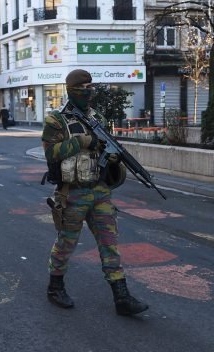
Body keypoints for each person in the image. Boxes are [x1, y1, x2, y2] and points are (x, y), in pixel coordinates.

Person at [41, 69, 149, 316]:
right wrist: (81, 141)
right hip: (73, 193)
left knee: (110, 244)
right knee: (66, 243)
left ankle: (121, 296)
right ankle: (55, 287)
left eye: (91, 88)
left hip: (100, 191)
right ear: (71, 91)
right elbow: (50, 153)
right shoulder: (56, 120)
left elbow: (103, 148)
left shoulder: (96, 116)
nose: (89, 94)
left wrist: (109, 157)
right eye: (83, 89)